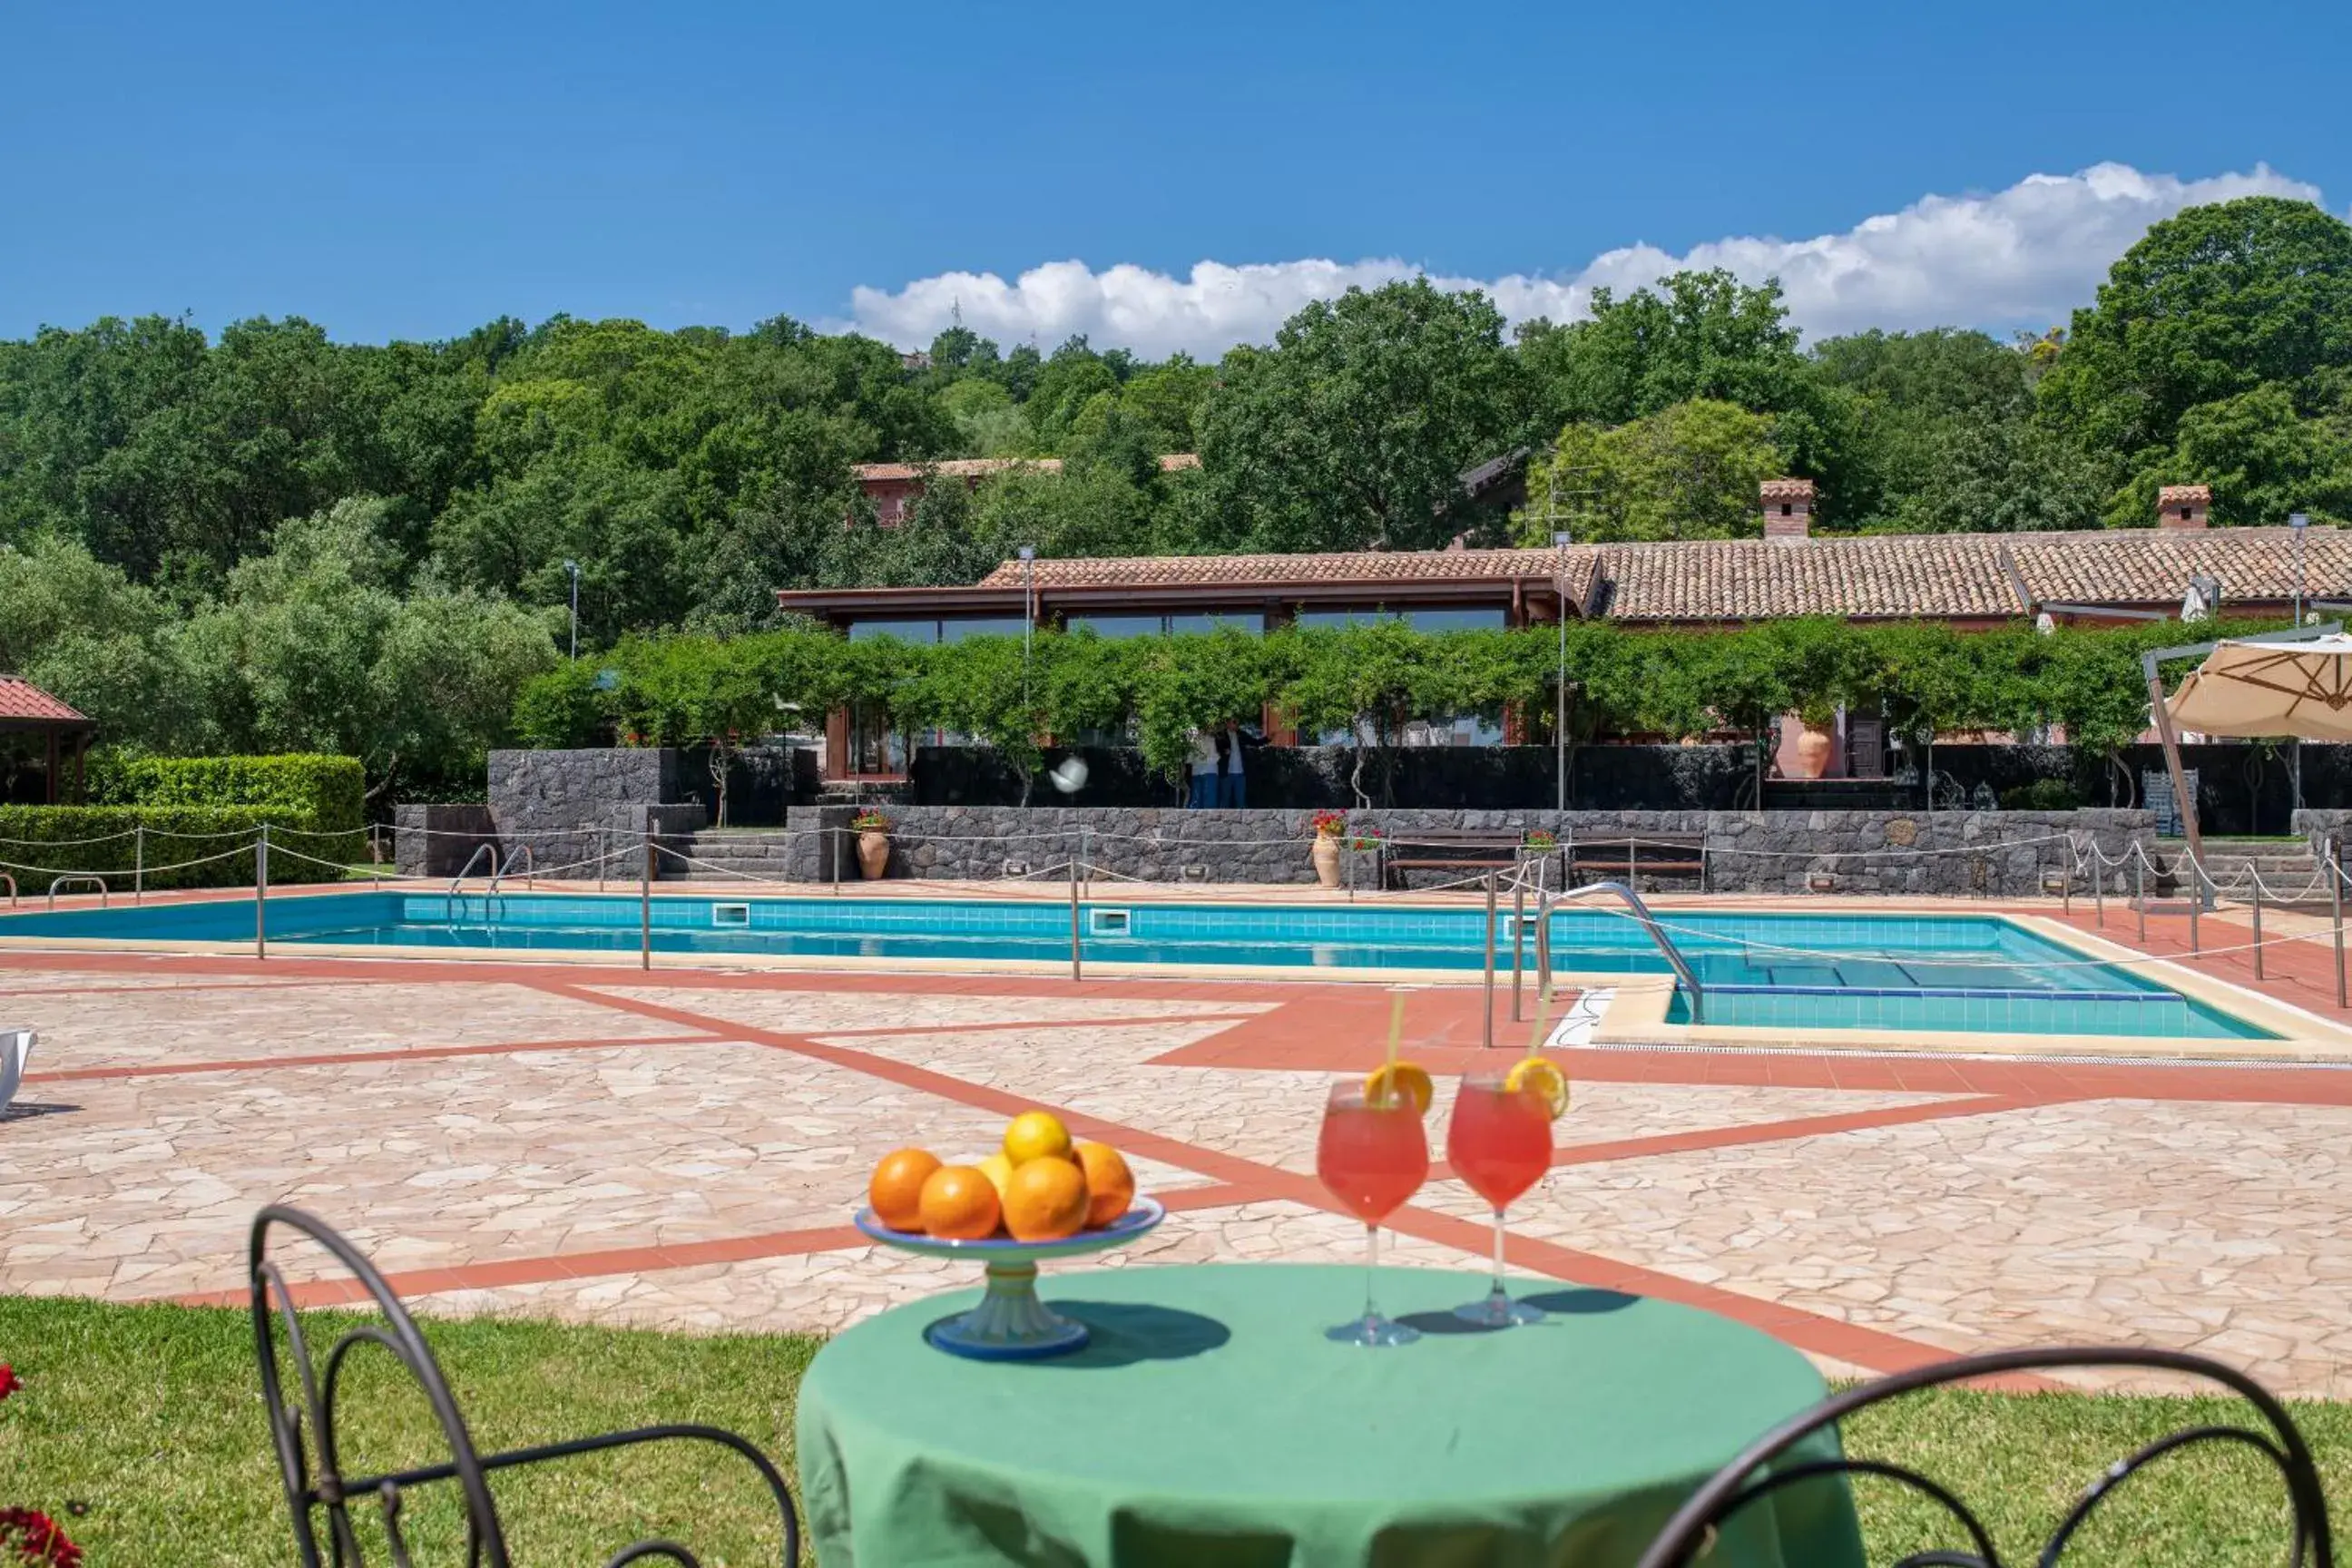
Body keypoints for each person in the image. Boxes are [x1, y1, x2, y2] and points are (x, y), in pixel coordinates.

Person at [1186, 728, 1220, 809]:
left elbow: (1214, 757)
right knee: (1197, 800)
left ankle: (1209, 820)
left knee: (1208, 801)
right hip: (1198, 772)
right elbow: (1189, 759)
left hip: (1209, 771)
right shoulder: (1193, 741)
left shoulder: (1210, 739)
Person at [1221, 720, 1248, 809]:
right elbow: (1218, 748)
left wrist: (1267, 738)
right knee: (1225, 800)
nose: (1236, 724)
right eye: (1233, 722)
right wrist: (1224, 751)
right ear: (1227, 723)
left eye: (1236, 722)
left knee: (1240, 801)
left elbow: (1254, 742)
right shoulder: (1222, 735)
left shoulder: (1241, 734)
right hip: (1227, 773)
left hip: (1240, 773)